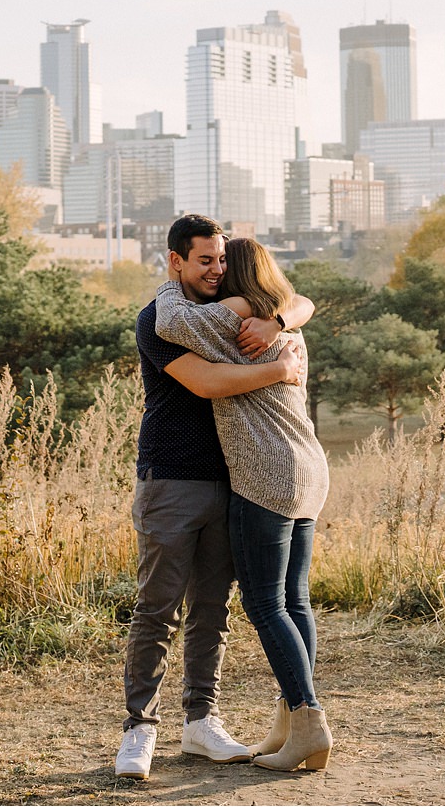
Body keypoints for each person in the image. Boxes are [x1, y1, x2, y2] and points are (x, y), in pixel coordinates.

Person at [115, 215, 313, 781]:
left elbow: (299, 298)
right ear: (175, 261)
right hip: (172, 477)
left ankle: (202, 722)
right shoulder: (161, 320)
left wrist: (275, 316)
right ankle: (139, 731)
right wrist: (279, 367)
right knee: (158, 608)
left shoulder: (235, 309)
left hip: (234, 480)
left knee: (213, 610)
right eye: (205, 261)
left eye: (222, 260)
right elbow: (207, 384)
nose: (216, 270)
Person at [153, 237, 332, 773]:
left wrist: (171, 277)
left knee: (263, 603)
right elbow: (301, 302)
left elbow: (168, 321)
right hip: (309, 468)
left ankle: (308, 720)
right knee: (295, 601)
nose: (217, 269)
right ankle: (290, 721)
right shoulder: (286, 326)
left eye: (224, 263)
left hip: (265, 475)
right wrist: (280, 313)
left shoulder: (228, 323)